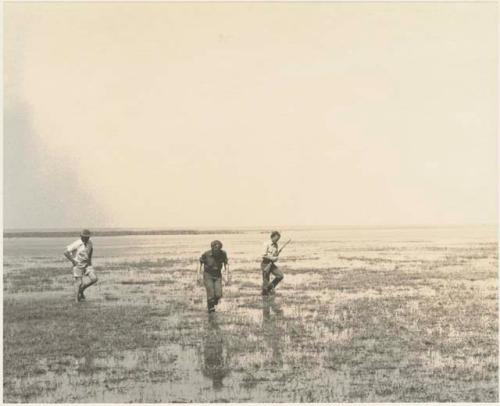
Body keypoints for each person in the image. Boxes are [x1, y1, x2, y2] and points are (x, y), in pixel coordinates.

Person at [64, 229, 98, 302]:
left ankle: (82, 289)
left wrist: (90, 262)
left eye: (87, 237)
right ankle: (76, 300)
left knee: (94, 279)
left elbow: (91, 250)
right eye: (84, 237)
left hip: (86, 264)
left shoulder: (90, 243)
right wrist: (73, 261)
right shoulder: (77, 243)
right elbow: (66, 252)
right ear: (81, 236)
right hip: (78, 265)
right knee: (78, 282)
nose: (86, 238)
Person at [198, 240, 230, 313]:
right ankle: (210, 308)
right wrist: (198, 275)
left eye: (218, 249)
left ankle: (213, 302)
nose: (217, 251)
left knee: (219, 294)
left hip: (218, 275)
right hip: (208, 275)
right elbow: (200, 263)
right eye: (215, 249)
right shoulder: (206, 254)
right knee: (211, 294)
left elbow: (226, 264)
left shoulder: (223, 254)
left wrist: (226, 276)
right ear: (212, 248)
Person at [261, 231, 284, 295]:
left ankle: (270, 288)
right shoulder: (266, 244)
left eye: (278, 239)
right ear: (272, 237)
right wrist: (272, 258)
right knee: (266, 281)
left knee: (280, 275)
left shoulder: (276, 245)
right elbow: (263, 255)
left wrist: (276, 257)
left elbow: (275, 256)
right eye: (276, 238)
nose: (277, 240)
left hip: (271, 264)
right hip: (265, 264)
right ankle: (265, 295)